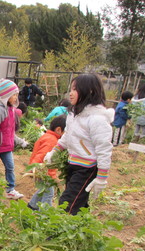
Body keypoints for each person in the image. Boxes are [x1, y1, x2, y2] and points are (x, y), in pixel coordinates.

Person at [44, 74, 114, 215]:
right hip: (73, 164)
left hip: (87, 168)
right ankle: (81, 231)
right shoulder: (74, 114)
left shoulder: (97, 119)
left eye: (75, 89)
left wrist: (102, 177)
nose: (70, 93)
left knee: (68, 203)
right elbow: (67, 136)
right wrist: (55, 151)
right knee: (79, 202)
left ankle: (58, 233)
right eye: (71, 89)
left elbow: (104, 148)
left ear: (89, 91)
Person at [27, 115, 66, 211]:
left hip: (44, 172)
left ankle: (32, 206)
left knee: (43, 190)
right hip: (44, 172)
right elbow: (41, 155)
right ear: (58, 130)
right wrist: (35, 167)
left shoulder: (50, 137)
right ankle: (44, 215)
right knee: (49, 193)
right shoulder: (51, 140)